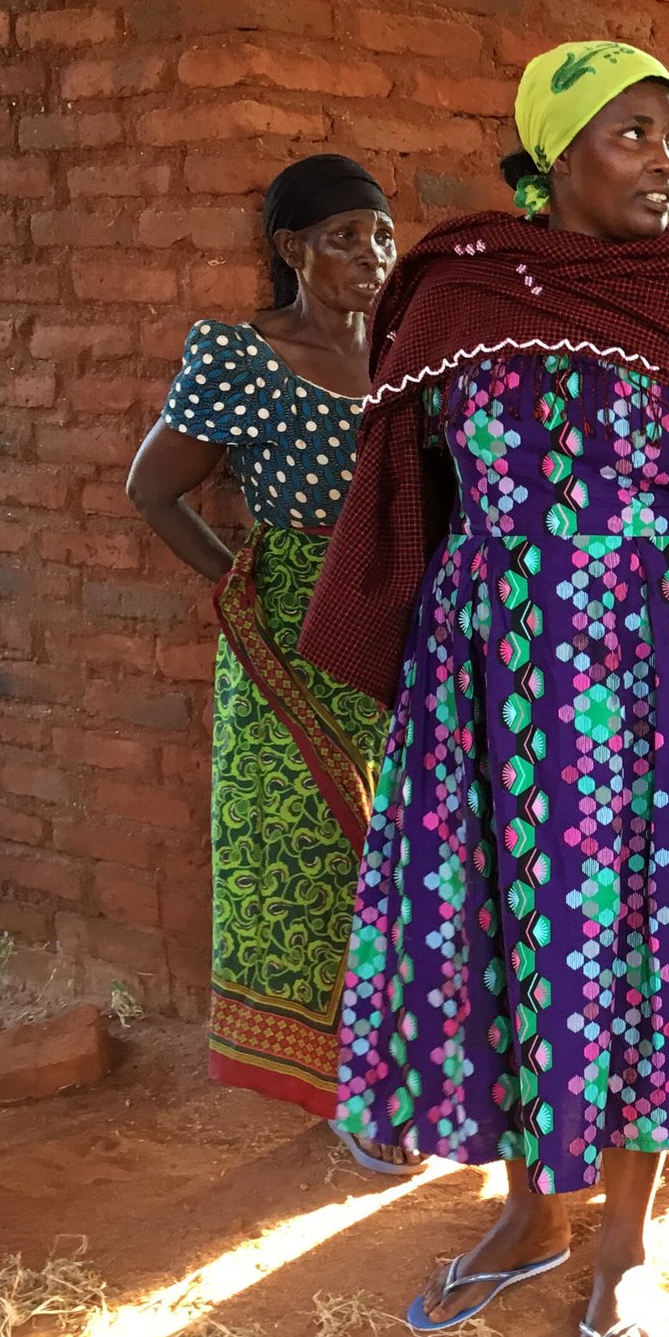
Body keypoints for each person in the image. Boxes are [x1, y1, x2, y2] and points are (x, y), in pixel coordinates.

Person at [299, 40, 669, 1337]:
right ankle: (531, 1210)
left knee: (641, 931)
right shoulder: (460, 289)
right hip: (493, 668)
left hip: (659, 664)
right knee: (515, 926)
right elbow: (404, 480)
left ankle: (624, 1243)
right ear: (558, 152)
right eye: (635, 133)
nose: (667, 159)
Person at [125, 153, 416, 1175]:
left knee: (406, 861)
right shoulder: (241, 357)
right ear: (291, 250)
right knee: (316, 861)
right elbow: (151, 489)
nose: (370, 257)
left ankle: (408, 1064)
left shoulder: (407, 353)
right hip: (288, 635)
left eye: (381, 236)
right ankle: (351, 1093)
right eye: (344, 238)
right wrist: (237, 586)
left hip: (403, 631)